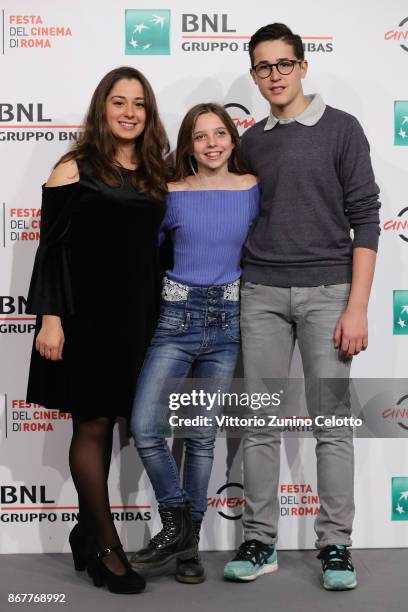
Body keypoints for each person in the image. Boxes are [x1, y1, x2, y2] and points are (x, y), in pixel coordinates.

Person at [223, 23, 380, 590]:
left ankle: (336, 547)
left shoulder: (341, 129)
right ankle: (259, 540)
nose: (273, 76)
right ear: (254, 73)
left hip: (329, 295)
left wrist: (357, 306)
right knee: (259, 424)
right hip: (260, 293)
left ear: (303, 66)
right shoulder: (252, 141)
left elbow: (366, 217)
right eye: (263, 67)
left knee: (332, 425)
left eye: (282, 64)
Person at [26, 66, 170, 594]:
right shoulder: (74, 166)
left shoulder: (157, 170)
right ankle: (107, 548)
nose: (130, 112)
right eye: (119, 102)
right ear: (102, 108)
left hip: (138, 320)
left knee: (111, 423)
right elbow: (53, 248)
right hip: (82, 318)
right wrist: (51, 318)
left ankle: (85, 535)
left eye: (139, 103)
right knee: (90, 425)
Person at [129, 103, 259, 584]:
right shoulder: (171, 193)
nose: (211, 143)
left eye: (220, 133)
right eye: (200, 136)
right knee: (145, 426)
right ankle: (178, 521)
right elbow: (143, 252)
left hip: (226, 322)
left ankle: (189, 549)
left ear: (232, 139)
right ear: (187, 145)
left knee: (201, 438)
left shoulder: (252, 190)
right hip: (176, 318)